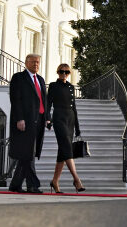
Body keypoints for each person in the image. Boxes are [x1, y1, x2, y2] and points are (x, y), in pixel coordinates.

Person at [8, 53, 50, 193]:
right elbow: (16, 99)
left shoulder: (41, 80)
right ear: (26, 63)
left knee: (27, 154)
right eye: (33, 62)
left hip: (39, 120)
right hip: (26, 121)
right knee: (28, 153)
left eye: (38, 62)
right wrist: (19, 118)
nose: (36, 64)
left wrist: (47, 118)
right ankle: (33, 185)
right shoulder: (19, 78)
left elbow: (44, 100)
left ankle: (15, 185)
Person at [46, 64, 86, 193]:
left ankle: (55, 181)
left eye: (66, 72)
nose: (64, 74)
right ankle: (76, 179)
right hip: (59, 119)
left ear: (69, 73)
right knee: (67, 148)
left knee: (63, 152)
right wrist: (48, 118)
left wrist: (78, 127)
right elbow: (48, 103)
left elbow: (74, 107)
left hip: (70, 120)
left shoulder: (71, 87)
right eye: (62, 72)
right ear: (58, 72)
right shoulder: (53, 85)